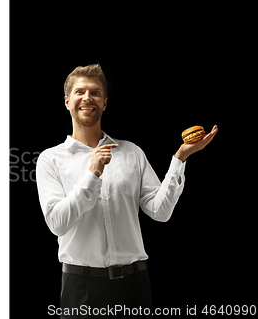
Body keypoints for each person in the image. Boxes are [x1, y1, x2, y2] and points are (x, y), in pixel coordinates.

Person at [35, 65, 217, 318]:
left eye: (95, 93)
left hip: (134, 284)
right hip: (82, 287)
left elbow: (160, 212)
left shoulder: (132, 152)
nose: (87, 98)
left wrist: (180, 158)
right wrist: (93, 174)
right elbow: (57, 223)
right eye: (80, 92)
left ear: (105, 102)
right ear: (67, 101)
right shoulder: (50, 159)